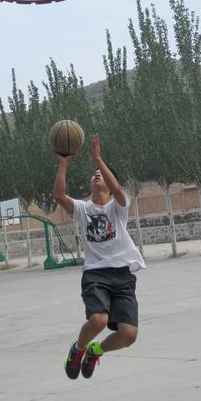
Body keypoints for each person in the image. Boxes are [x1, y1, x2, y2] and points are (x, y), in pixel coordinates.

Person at [54, 134, 145, 380]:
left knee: (129, 335)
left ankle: (95, 351)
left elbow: (118, 190)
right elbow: (59, 196)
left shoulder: (119, 207)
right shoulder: (83, 209)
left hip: (122, 276)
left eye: (101, 174)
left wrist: (98, 159)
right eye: (94, 173)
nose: (96, 174)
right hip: (95, 274)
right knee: (98, 320)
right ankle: (78, 349)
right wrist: (63, 163)